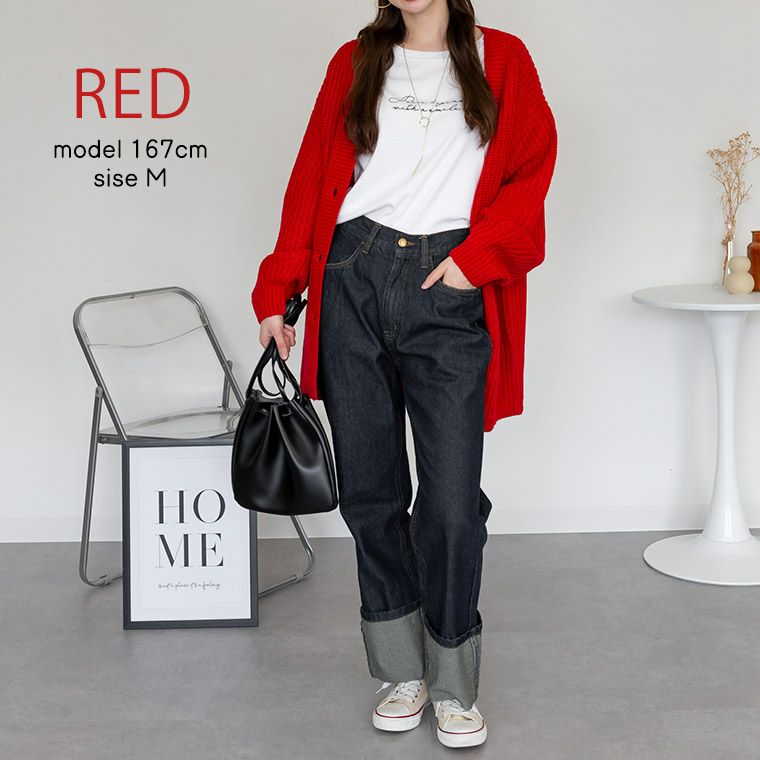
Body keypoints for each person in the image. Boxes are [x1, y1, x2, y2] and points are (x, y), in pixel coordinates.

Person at [251, 0, 557, 749]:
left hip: (446, 278)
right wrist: (280, 292)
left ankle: (453, 676)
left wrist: (473, 264)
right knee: (371, 492)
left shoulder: (502, 57)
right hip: (352, 275)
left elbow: (530, 172)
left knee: (450, 503)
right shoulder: (356, 59)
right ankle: (400, 670)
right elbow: (312, 177)